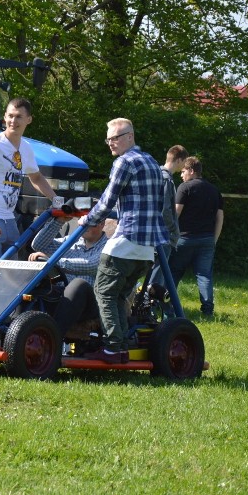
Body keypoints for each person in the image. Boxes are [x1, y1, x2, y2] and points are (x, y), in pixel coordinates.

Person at [78, 118, 168, 363]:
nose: (111, 143)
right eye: (108, 139)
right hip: (147, 250)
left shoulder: (123, 162)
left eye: (115, 138)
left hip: (126, 241)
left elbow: (107, 201)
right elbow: (152, 205)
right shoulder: (152, 163)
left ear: (130, 136)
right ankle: (120, 344)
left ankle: (113, 348)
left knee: (104, 292)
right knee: (118, 295)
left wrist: (86, 220)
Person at [0, 98, 57, 280]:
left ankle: (4, 309)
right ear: (5, 117)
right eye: (10, 116)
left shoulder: (26, 149)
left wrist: (57, 200)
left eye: (18, 117)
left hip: (9, 219)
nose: (13, 121)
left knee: (8, 276)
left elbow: (36, 177)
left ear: (28, 119)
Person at [28, 215, 110, 336]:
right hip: (62, 297)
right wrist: (60, 220)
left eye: (90, 222)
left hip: (92, 303)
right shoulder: (72, 241)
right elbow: (38, 245)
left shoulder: (109, 246)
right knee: (32, 285)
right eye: (82, 220)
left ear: (102, 223)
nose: (84, 225)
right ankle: (12, 333)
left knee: (78, 284)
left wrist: (51, 262)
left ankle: (51, 337)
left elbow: (91, 265)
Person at [167, 156, 224, 317]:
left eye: (184, 171)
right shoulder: (214, 190)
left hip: (184, 239)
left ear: (192, 171)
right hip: (207, 240)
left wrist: (168, 235)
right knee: (204, 275)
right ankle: (207, 310)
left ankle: (167, 306)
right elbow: (220, 217)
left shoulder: (185, 188)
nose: (181, 175)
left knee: (173, 272)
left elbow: (176, 212)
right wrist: (214, 239)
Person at [148, 144, 189, 286]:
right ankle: (149, 305)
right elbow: (164, 210)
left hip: (154, 232)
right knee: (157, 275)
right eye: (184, 162)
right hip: (162, 235)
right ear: (179, 160)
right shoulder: (165, 179)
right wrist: (173, 228)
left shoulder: (156, 174)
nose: (184, 166)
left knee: (153, 272)